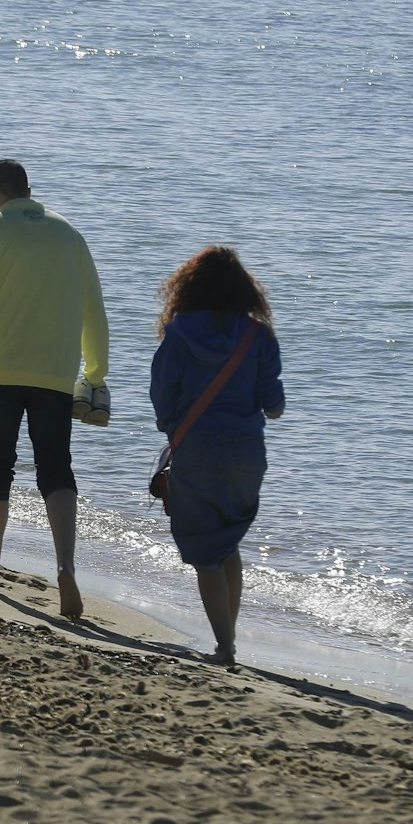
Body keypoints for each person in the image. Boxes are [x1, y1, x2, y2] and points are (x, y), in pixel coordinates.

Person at [0, 159, 109, 619]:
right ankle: (66, 566)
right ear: (29, 191)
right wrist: (96, 373)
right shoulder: (70, 236)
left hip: (0, 374)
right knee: (56, 468)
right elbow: (94, 309)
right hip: (54, 374)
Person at [149, 246, 285, 665]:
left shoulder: (178, 332)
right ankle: (226, 637)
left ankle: (225, 646)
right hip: (247, 452)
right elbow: (274, 405)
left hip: (196, 448)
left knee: (206, 551)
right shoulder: (257, 335)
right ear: (245, 290)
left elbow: (161, 394)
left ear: (188, 287)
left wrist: (174, 426)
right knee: (225, 541)